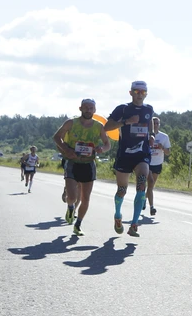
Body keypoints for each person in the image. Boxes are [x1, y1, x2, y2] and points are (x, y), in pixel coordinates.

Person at [103, 81, 155, 237]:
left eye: (143, 92)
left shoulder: (149, 109)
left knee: (141, 185)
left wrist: (151, 135)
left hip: (142, 154)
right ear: (131, 93)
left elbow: (150, 122)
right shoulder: (123, 109)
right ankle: (118, 216)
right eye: (137, 91)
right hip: (125, 154)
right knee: (122, 190)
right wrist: (126, 122)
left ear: (146, 94)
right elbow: (106, 127)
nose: (140, 94)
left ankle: (134, 224)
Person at [53, 98, 111, 237]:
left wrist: (102, 149)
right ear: (80, 109)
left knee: (86, 198)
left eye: (91, 108)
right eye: (86, 107)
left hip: (89, 164)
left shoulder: (98, 126)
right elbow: (57, 137)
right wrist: (67, 149)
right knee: (72, 196)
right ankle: (70, 207)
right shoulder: (71, 123)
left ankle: (78, 224)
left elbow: (107, 144)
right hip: (72, 162)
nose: (88, 110)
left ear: (95, 110)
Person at [146, 117, 171, 216]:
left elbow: (168, 152)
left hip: (157, 163)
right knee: (150, 182)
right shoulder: (146, 135)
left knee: (151, 186)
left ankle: (144, 198)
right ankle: (152, 207)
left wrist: (162, 148)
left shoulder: (164, 137)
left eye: (157, 123)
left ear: (159, 124)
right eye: (154, 123)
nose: (155, 125)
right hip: (147, 163)